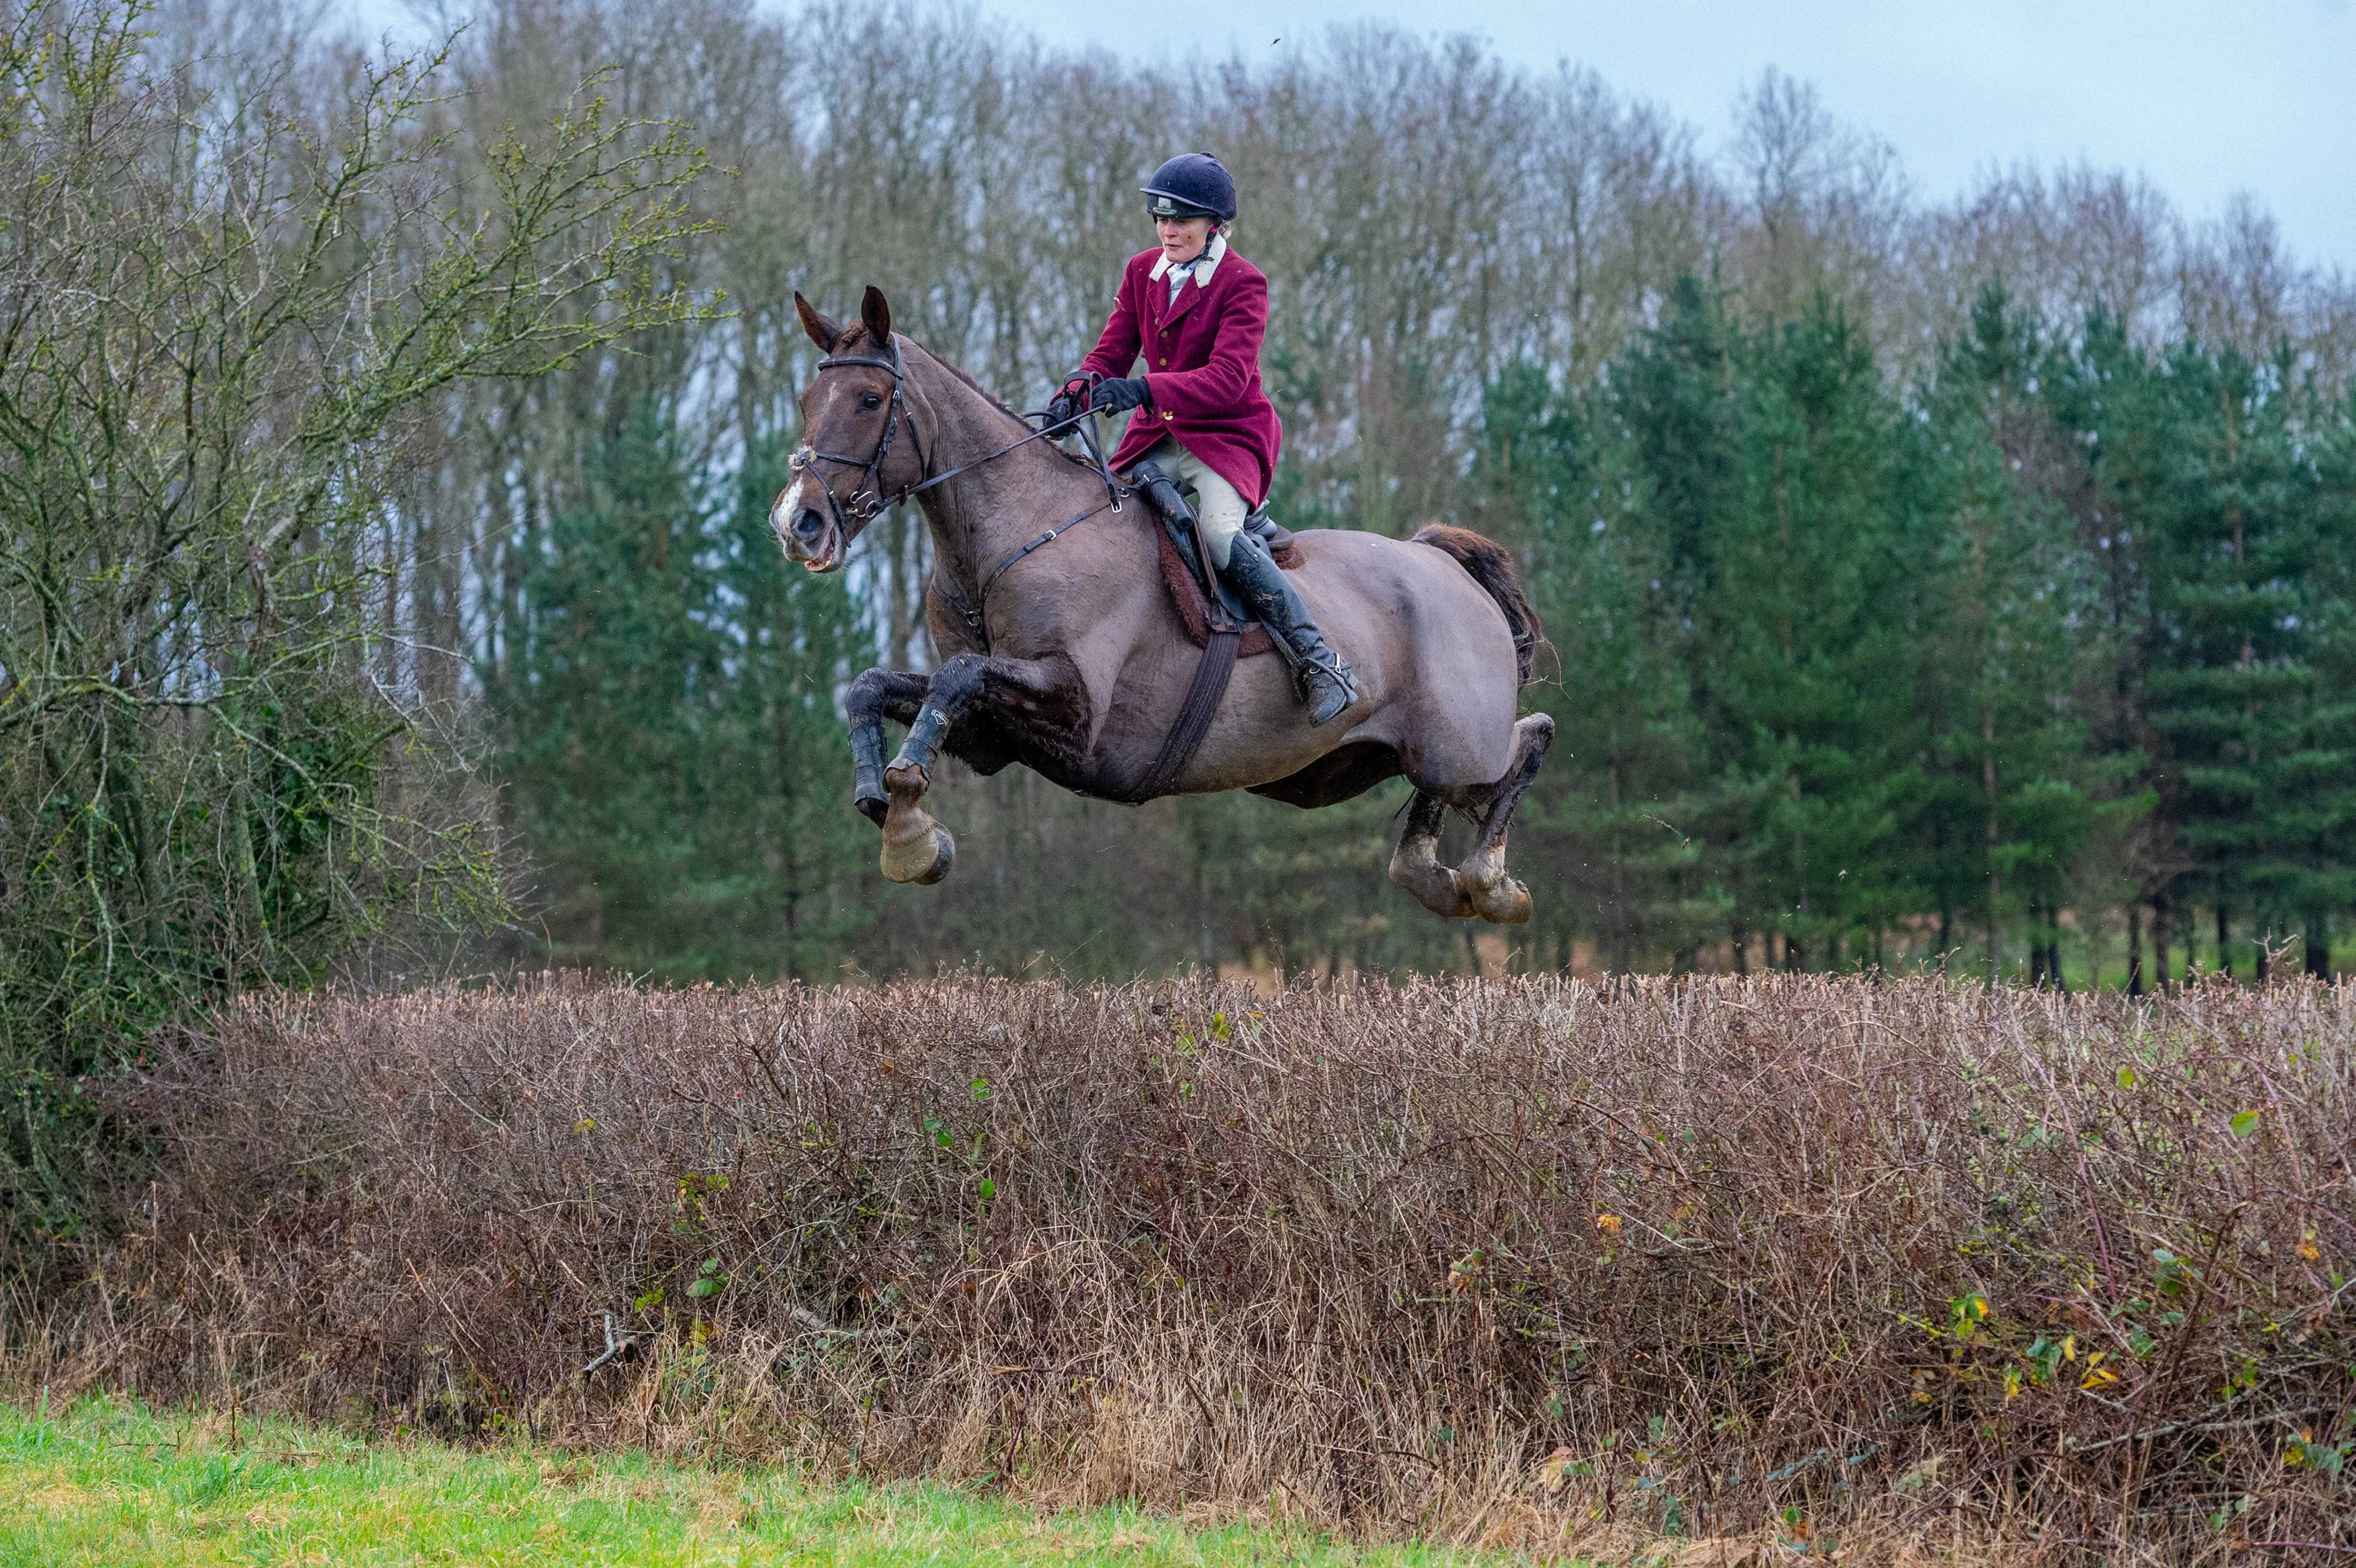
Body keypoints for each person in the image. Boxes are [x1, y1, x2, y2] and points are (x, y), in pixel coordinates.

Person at [1051, 153, 1356, 725]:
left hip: (1225, 434)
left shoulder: (1243, 283)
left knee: (1218, 534)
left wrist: (1141, 389)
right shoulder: (1143, 271)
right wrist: (1076, 389)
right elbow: (1111, 352)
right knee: (1104, 513)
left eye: (1182, 222)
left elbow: (1227, 379)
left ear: (1213, 226)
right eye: (1160, 220)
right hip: (1159, 436)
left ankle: (1319, 662)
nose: (1168, 231)